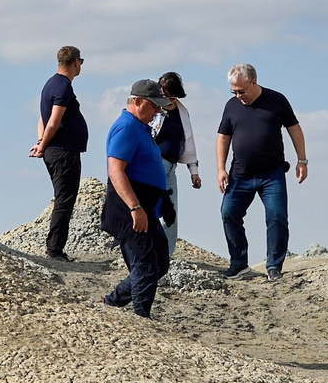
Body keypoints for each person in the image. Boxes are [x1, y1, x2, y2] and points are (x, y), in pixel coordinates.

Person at [213, 63, 307, 280]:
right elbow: (223, 137)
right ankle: (239, 264)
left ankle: (274, 267)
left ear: (253, 82)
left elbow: (294, 128)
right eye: (233, 91)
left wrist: (302, 160)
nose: (238, 96)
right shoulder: (231, 106)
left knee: (277, 218)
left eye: (241, 91)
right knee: (228, 213)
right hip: (239, 174)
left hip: (271, 174)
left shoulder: (277, 100)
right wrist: (220, 169)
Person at [98, 79, 171, 317]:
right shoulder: (127, 127)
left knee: (159, 262)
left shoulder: (140, 126)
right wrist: (135, 207)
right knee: (146, 265)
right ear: (138, 102)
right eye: (154, 106)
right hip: (128, 208)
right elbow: (115, 170)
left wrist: (163, 202)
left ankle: (112, 302)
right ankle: (141, 320)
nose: (158, 111)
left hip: (146, 206)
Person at [27, 45, 87, 261]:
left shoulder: (50, 84)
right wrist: (42, 145)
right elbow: (53, 121)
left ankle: (55, 247)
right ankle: (55, 250)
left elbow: (42, 118)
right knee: (65, 199)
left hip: (56, 149)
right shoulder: (62, 87)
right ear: (75, 62)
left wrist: (41, 142)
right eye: (81, 62)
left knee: (63, 197)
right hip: (63, 152)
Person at [150, 71, 203, 244]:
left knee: (170, 214)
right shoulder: (153, 109)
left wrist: (193, 171)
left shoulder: (182, 111)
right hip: (153, 165)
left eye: (173, 96)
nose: (169, 99)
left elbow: (189, 141)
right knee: (151, 209)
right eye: (165, 95)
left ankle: (166, 256)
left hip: (171, 168)